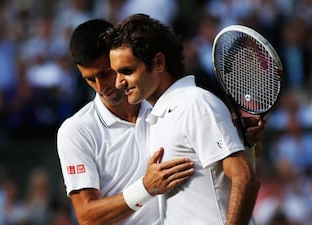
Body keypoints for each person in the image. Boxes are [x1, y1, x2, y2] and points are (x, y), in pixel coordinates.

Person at [106, 14, 261, 225]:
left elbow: (245, 179)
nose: (118, 83)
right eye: (115, 73)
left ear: (159, 62)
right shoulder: (158, 116)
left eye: (127, 71)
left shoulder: (195, 104)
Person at [56, 19, 196, 225]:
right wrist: (146, 188)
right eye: (89, 79)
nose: (101, 86)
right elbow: (87, 216)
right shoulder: (75, 131)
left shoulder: (166, 105)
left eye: (105, 73)